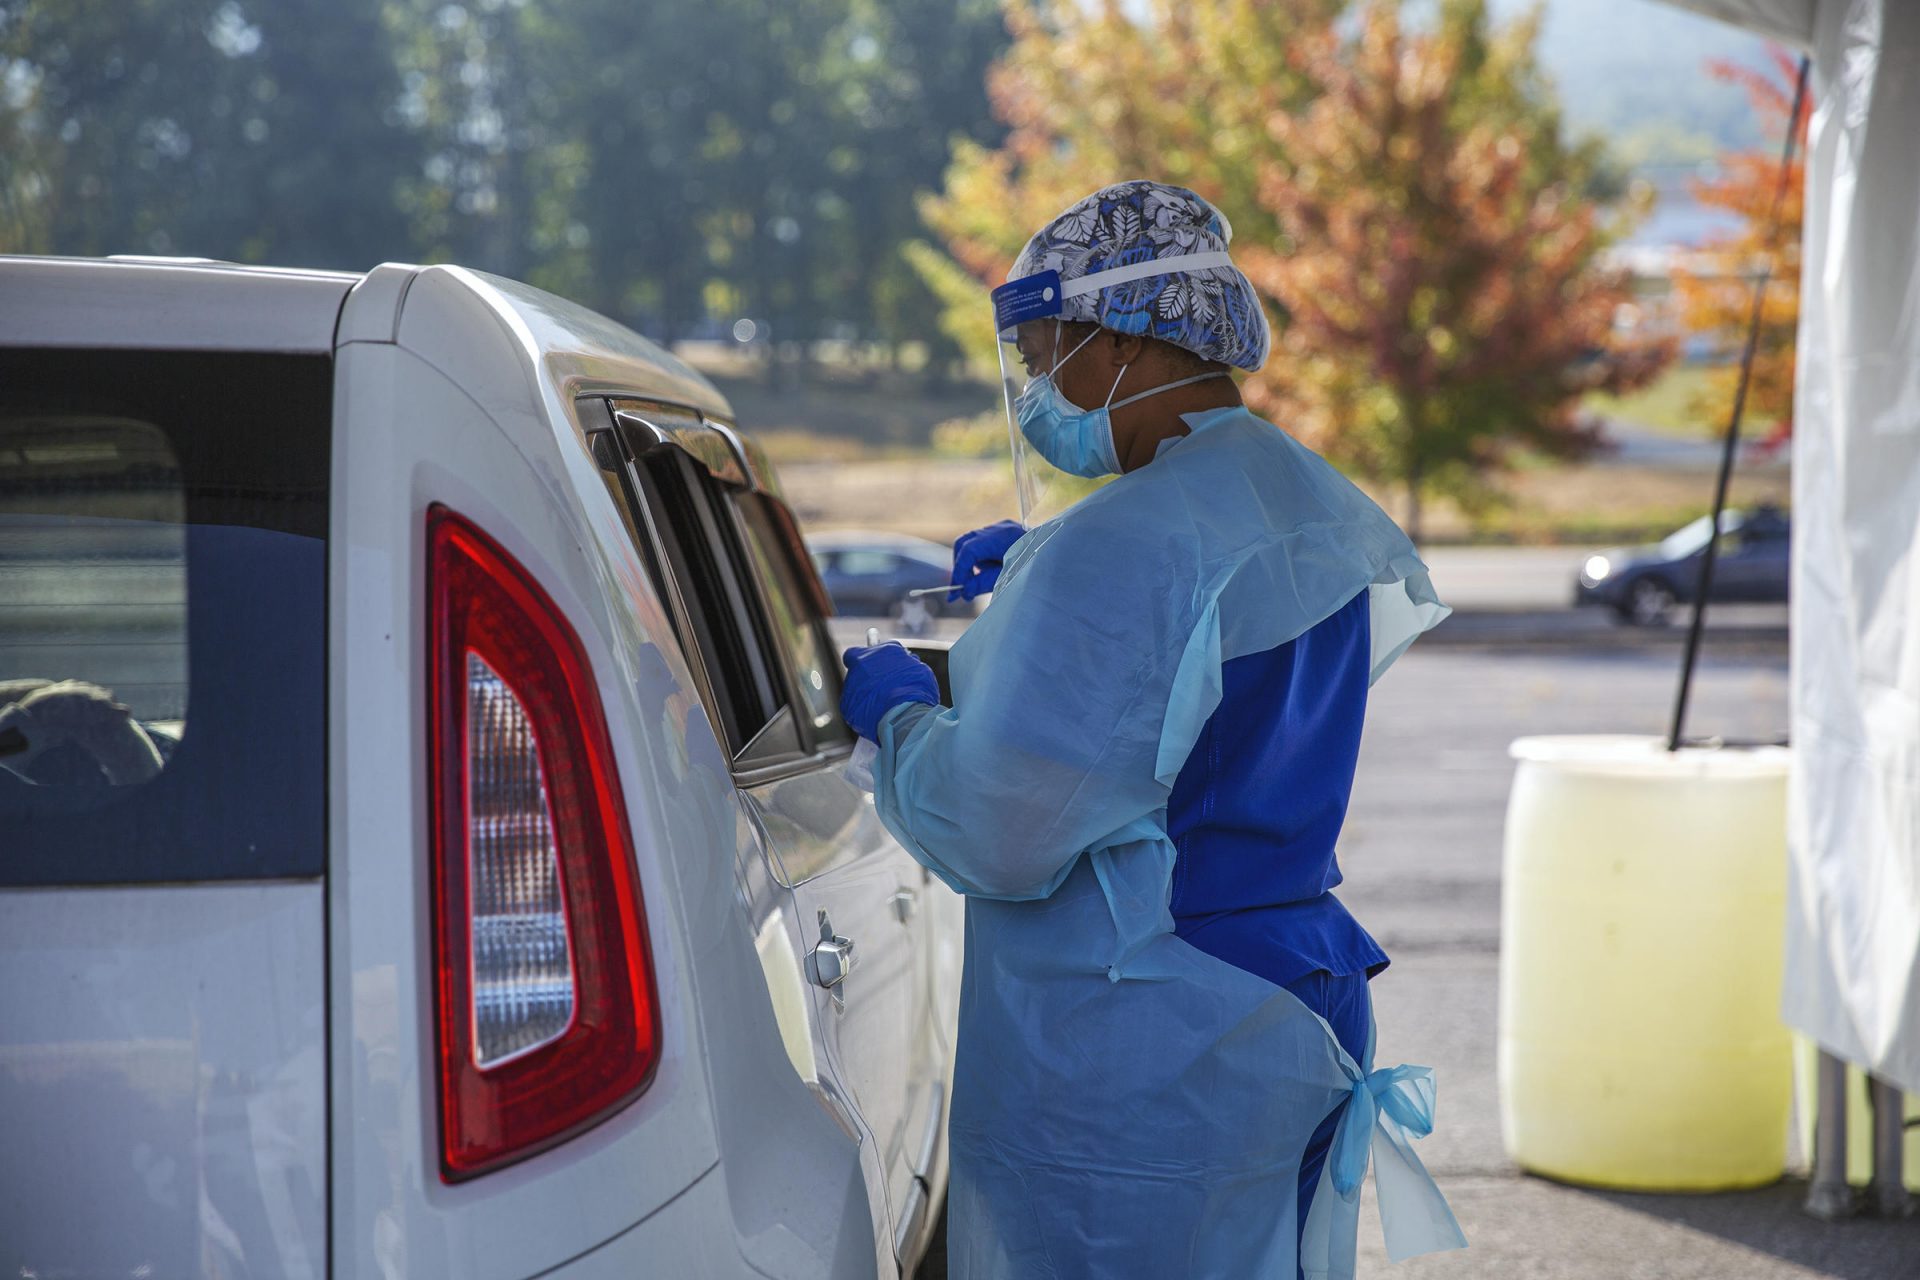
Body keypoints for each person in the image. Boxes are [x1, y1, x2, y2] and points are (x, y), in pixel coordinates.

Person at [840, 181, 1463, 1279]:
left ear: (1116, 336)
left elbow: (1001, 825)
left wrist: (897, 718)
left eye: (1042, 356)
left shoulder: (1122, 543)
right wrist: (1039, 586)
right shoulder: (1305, 493)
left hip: (1159, 1030)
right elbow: (1193, 706)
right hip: (1290, 985)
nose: (1034, 389)